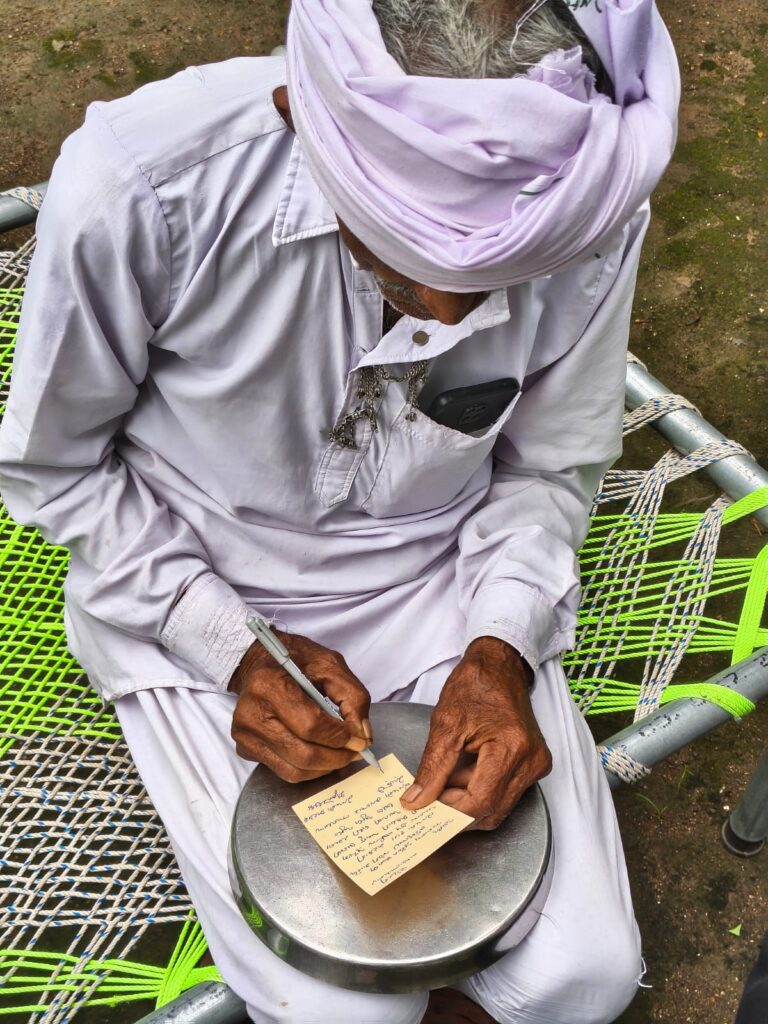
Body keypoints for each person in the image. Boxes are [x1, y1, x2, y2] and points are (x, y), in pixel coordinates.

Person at [0, 0, 680, 1021]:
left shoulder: (592, 199)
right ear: (303, 121)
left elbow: (548, 467)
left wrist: (500, 648)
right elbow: (56, 470)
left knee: (582, 973)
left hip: (444, 578)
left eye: (500, 275)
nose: (449, 314)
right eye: (410, 258)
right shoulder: (146, 185)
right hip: (191, 578)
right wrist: (230, 645)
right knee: (347, 1011)